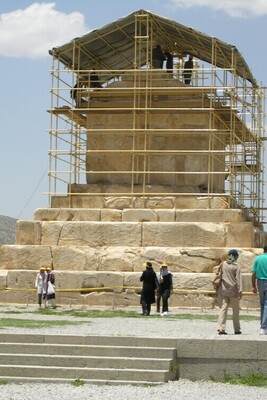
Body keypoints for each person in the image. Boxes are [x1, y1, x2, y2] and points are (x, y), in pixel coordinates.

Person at [217, 249, 242, 335]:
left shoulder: (223, 264)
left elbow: (219, 274)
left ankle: (221, 328)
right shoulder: (237, 266)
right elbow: (238, 279)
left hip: (223, 290)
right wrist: (240, 290)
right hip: (233, 291)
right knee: (235, 311)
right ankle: (237, 329)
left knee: (223, 309)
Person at [251, 245, 267, 335]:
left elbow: (254, 273)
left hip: (260, 282)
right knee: (266, 304)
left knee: (263, 304)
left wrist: (253, 286)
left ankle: (263, 325)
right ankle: (264, 327)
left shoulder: (258, 259)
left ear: (263, 250)